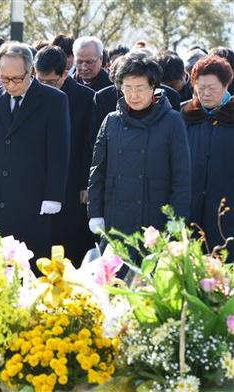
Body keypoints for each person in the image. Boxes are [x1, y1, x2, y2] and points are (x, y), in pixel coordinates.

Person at [0, 42, 70, 263]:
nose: (11, 84)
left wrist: (53, 195)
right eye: (4, 78)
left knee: (30, 265)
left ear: (31, 72)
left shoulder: (54, 100)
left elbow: (59, 152)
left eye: (17, 78)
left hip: (32, 199)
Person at [88, 53, 191, 239]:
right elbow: (97, 172)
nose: (133, 95)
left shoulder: (172, 121)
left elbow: (182, 175)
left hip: (156, 222)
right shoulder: (111, 121)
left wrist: (177, 218)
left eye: (140, 88)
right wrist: (95, 213)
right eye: (127, 88)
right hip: (116, 219)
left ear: (153, 87)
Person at [35, 45, 95, 264]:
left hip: (71, 181)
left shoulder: (86, 98)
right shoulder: (33, 95)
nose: (44, 86)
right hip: (39, 180)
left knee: (67, 240)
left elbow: (88, 146)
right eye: (40, 80)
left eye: (50, 82)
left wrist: (84, 185)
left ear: (65, 73)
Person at [182, 55, 234, 256]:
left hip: (227, 211)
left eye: (211, 88)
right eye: (200, 87)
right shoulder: (185, 115)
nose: (205, 93)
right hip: (191, 210)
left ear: (226, 85)